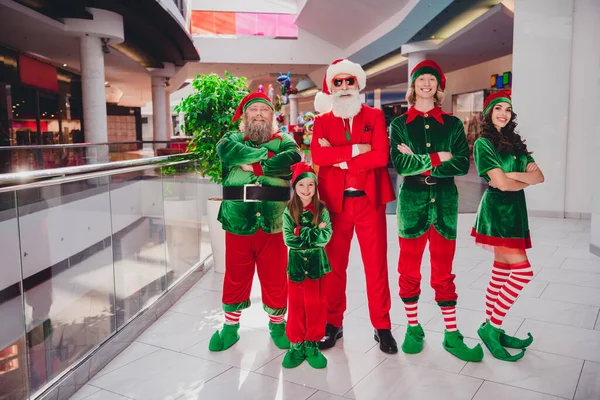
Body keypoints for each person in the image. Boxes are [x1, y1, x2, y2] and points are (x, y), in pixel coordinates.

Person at [389, 60, 483, 362]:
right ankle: (413, 327)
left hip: (444, 203)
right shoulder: (399, 125)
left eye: (431, 79)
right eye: (421, 79)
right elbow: (401, 166)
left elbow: (460, 164)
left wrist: (420, 157)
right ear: (413, 86)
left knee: (444, 272)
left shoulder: (454, 125)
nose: (426, 84)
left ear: (438, 86)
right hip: (412, 203)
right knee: (408, 269)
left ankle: (451, 334)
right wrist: (438, 155)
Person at [311, 59, 397, 354]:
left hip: (369, 203)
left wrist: (340, 159)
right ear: (331, 86)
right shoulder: (321, 121)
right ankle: (332, 324)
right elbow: (318, 158)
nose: (345, 86)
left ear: (358, 84)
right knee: (334, 268)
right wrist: (357, 149)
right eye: (338, 82)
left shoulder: (374, 115)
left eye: (350, 81)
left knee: (377, 267)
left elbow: (381, 157)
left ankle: (382, 326)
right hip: (335, 206)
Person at [209, 92, 302, 352]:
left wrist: (255, 165)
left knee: (275, 277)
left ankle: (277, 325)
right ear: (245, 116)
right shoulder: (232, 138)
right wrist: (268, 156)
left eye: (265, 109)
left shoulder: (286, 141)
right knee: (236, 276)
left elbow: (291, 159)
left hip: (274, 222)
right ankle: (230, 328)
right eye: (254, 110)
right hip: (238, 220)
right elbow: (227, 152)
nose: (259, 113)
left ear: (273, 116)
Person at [472, 91, 544, 361]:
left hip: (515, 213)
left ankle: (491, 328)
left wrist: (513, 176)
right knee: (523, 273)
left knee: (501, 271)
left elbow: (540, 176)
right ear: (489, 113)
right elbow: (500, 185)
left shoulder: (515, 144)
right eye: (498, 108)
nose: (503, 113)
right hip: (497, 214)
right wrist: (522, 179)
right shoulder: (483, 143)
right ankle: (494, 327)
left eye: (508, 109)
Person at [282, 162, 332, 369]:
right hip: (295, 267)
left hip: (316, 267)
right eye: (301, 185)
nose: (306, 190)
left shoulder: (322, 210)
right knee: (295, 306)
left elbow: (325, 237)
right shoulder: (288, 211)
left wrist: (299, 231)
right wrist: (312, 231)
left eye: (311, 185)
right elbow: (288, 240)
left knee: (315, 304)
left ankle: (312, 344)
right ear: (295, 187)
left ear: (316, 187)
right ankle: (296, 345)